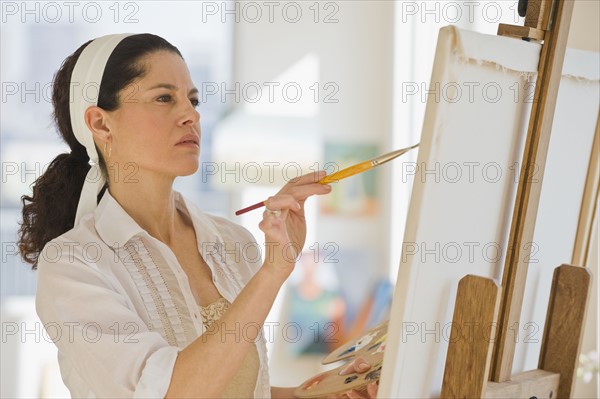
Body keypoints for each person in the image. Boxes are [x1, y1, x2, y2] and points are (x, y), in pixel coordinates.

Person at [18, 33, 378, 398]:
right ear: (100, 124)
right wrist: (273, 273)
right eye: (164, 98)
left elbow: (236, 387)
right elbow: (172, 391)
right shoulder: (74, 263)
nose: (191, 115)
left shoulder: (233, 242)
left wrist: (315, 395)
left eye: (193, 100)